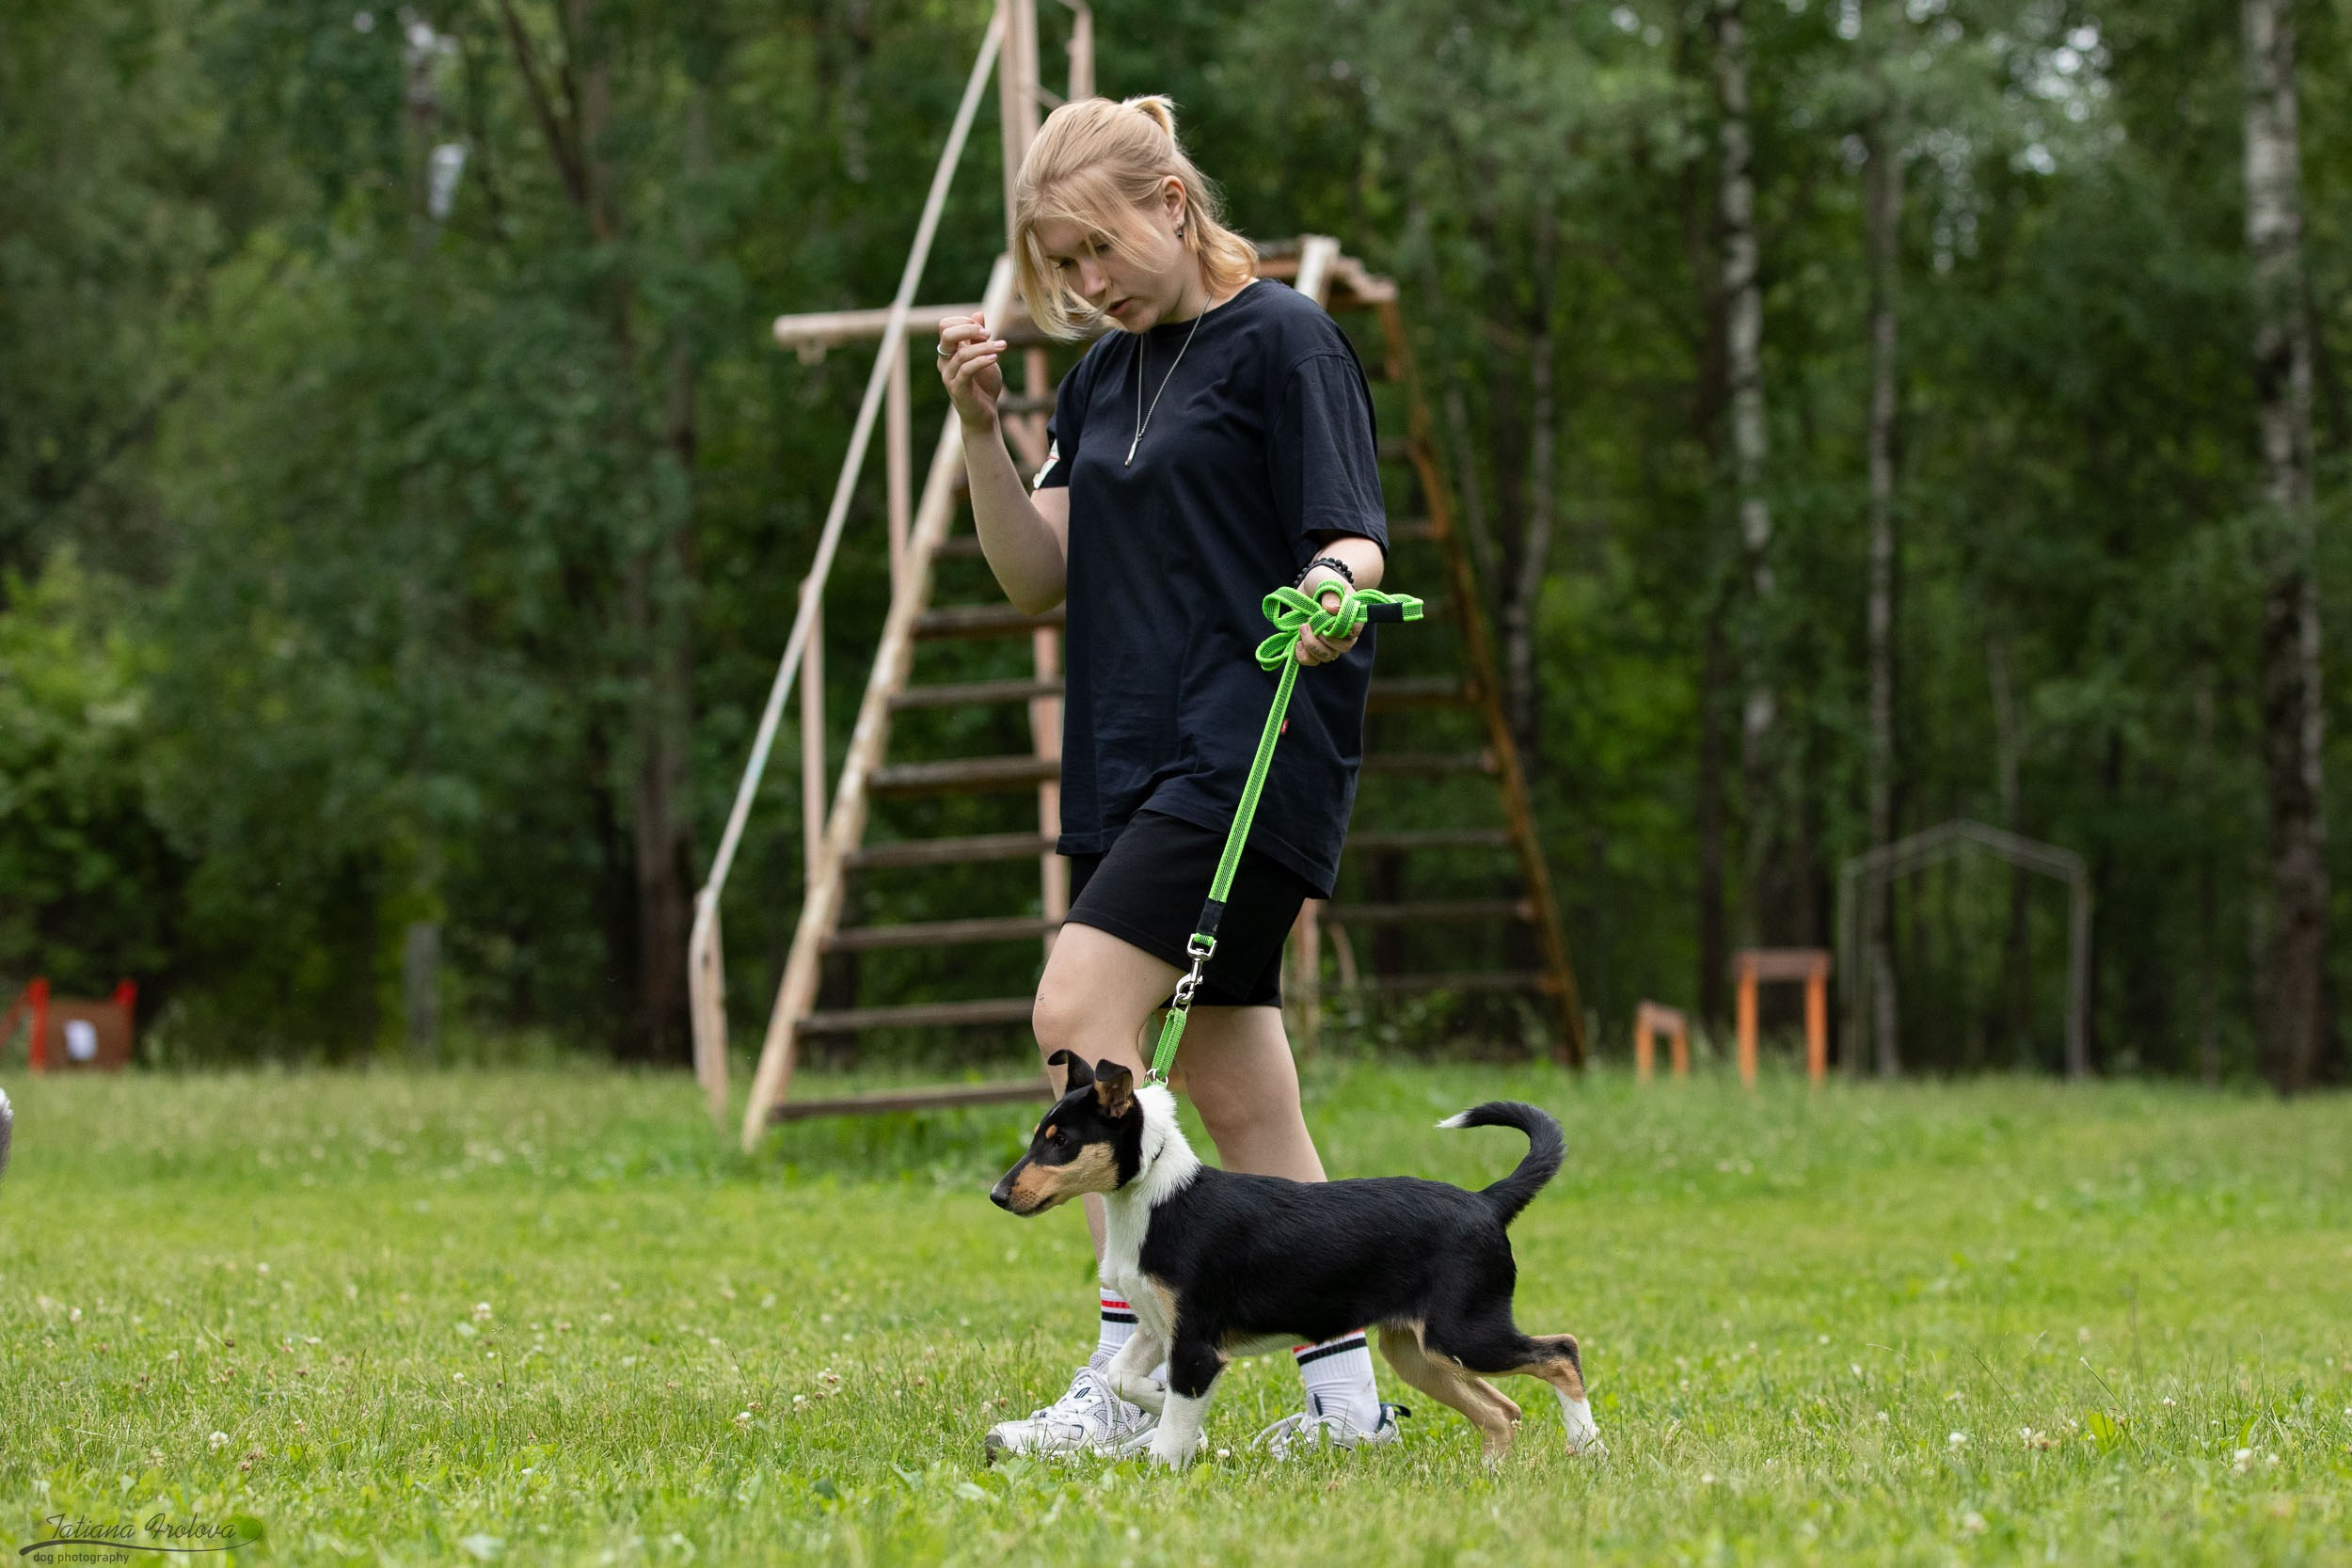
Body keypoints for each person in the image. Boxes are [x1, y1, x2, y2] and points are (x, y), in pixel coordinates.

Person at [937, 93, 1400, 1461]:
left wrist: (1332, 590)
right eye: (1061, 264)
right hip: (1127, 753)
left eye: (1101, 248)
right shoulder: (1099, 377)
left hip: (1247, 747)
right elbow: (1035, 575)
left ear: (1173, 206)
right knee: (1242, 1093)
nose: (1088, 283)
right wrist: (979, 430)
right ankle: (1348, 1407)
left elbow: (1354, 536)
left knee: (1079, 1012)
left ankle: (1122, 1376)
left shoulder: (1287, 341)